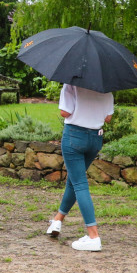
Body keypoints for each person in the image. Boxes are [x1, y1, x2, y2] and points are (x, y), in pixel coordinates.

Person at [46, 84, 113, 251]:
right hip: (95, 139)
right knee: (75, 179)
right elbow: (108, 118)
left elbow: (65, 112)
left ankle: (93, 236)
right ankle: (57, 220)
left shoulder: (71, 84)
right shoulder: (106, 86)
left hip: (74, 136)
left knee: (80, 184)